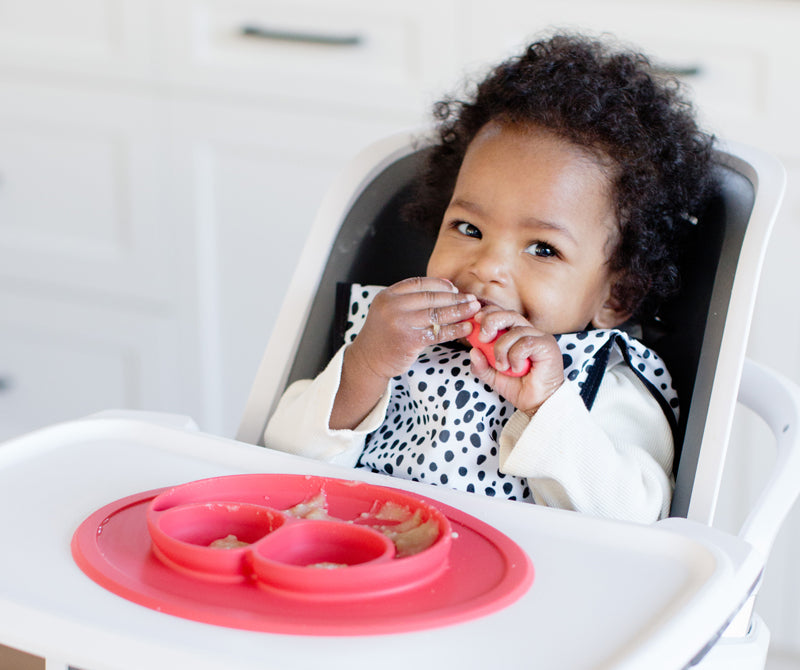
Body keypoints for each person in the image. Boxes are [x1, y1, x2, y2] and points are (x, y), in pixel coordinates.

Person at [264, 33, 715, 524]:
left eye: (543, 248)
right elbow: (276, 457)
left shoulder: (605, 383)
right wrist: (364, 369)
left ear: (616, 294)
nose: (486, 268)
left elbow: (639, 519)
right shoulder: (386, 340)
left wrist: (546, 407)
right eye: (469, 228)